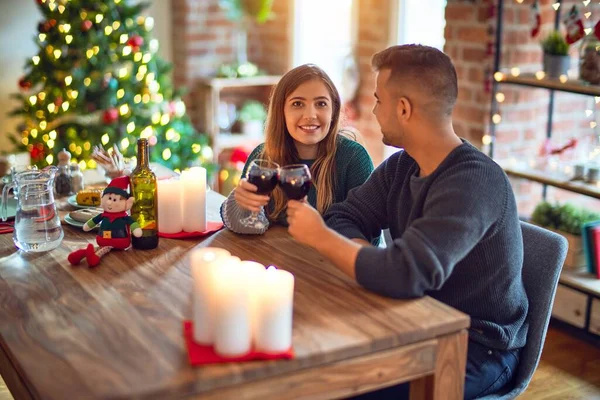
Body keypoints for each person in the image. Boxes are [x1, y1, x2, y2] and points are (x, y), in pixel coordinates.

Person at [286, 45, 528, 399]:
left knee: (335, 388)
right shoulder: (403, 166)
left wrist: (321, 238)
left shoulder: (473, 182)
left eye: (378, 100)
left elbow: (405, 274)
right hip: (410, 319)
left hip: (475, 348)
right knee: (311, 368)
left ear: (403, 109)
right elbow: (345, 215)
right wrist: (373, 262)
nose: (373, 109)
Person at [221, 64, 374, 234]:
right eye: (298, 103)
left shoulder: (353, 158)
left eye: (321, 103)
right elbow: (244, 226)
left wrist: (318, 231)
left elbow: (368, 236)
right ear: (281, 111)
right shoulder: (262, 156)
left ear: (334, 110)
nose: (310, 115)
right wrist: (240, 203)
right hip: (275, 257)